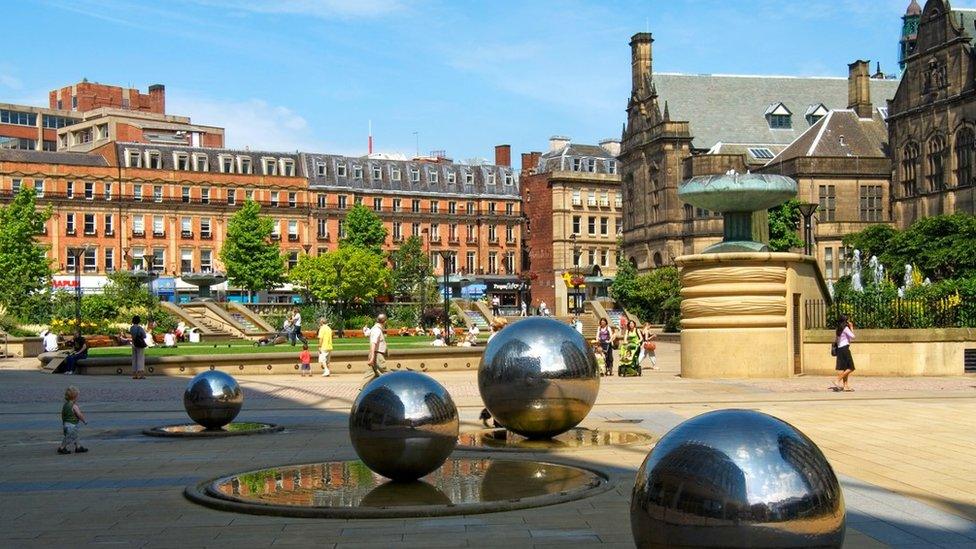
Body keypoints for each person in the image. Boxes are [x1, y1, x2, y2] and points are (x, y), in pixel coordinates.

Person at [57, 386, 88, 454]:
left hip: (66, 424)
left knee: (75, 436)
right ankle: (62, 447)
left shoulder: (65, 405)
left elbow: (63, 414)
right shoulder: (74, 406)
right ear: (75, 397)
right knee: (69, 437)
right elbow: (79, 415)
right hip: (72, 425)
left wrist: (64, 422)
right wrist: (84, 421)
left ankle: (78, 447)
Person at [364, 313, 389, 386]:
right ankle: (390, 387)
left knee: (371, 374)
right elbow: (373, 343)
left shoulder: (375, 329)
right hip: (377, 355)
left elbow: (367, 334)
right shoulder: (377, 330)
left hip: (375, 354)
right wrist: (372, 357)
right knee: (385, 373)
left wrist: (365, 330)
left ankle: (362, 389)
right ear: (385, 321)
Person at [833, 314, 856, 392]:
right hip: (845, 348)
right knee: (851, 367)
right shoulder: (845, 328)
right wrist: (852, 327)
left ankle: (845, 386)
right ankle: (837, 380)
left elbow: (836, 339)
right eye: (847, 320)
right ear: (845, 321)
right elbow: (853, 336)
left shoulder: (838, 329)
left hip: (840, 349)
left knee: (845, 368)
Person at [129, 316, 148, 380]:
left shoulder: (131, 328)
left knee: (134, 359)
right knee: (140, 358)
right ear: (139, 321)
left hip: (134, 344)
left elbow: (132, 335)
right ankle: (140, 374)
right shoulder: (140, 328)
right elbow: (144, 336)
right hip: (139, 344)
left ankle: (134, 374)